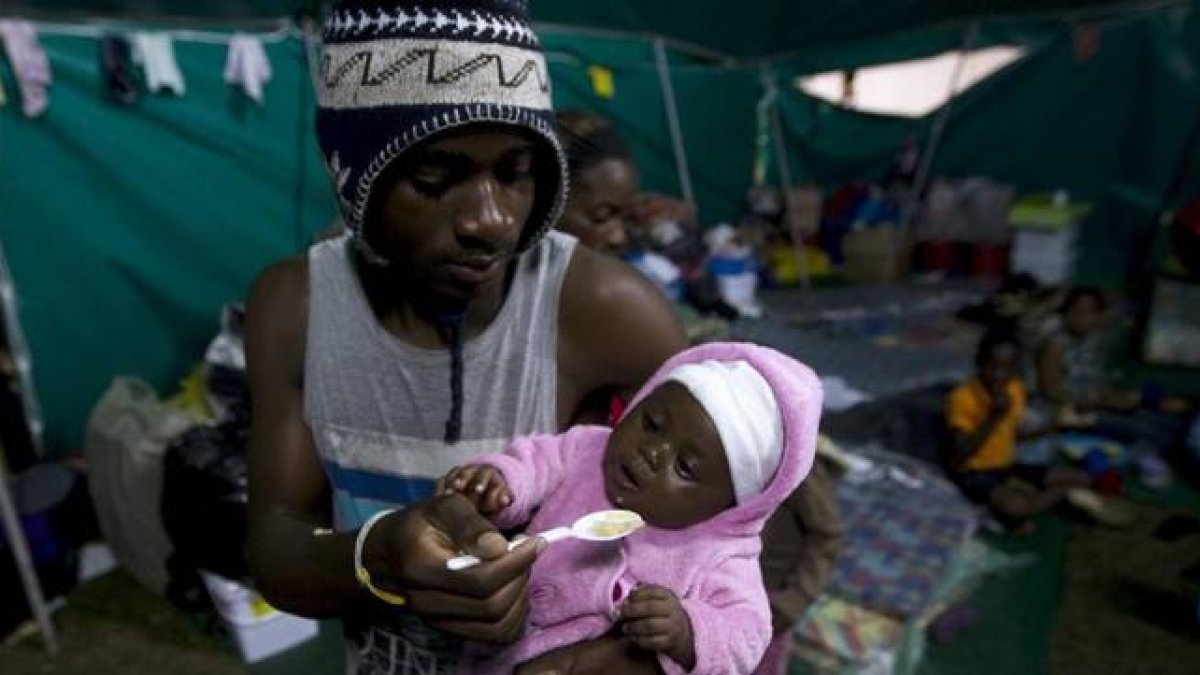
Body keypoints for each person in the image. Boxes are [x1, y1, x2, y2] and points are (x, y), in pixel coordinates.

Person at [244, 2, 687, 674]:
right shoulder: (297, 308)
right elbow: (276, 544)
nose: (491, 221)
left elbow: (742, 526)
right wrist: (379, 554)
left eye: (515, 174)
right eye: (435, 179)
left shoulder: (608, 312)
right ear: (354, 179)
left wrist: (609, 657)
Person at [440, 342, 822, 674]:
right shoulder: (587, 450)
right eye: (652, 423)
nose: (652, 452)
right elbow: (534, 463)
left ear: (729, 507)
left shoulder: (723, 553)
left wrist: (687, 630)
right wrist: (499, 484)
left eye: (685, 467)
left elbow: (748, 632)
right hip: (494, 643)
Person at [946, 328, 1122, 529]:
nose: (998, 376)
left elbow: (1013, 436)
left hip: (1006, 465)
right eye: (992, 367)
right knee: (1016, 507)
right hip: (975, 473)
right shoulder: (962, 398)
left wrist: (1054, 428)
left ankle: (1046, 496)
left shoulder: (1014, 389)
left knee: (1081, 477)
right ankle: (1061, 495)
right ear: (979, 363)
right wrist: (993, 418)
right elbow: (960, 455)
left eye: (1007, 368)